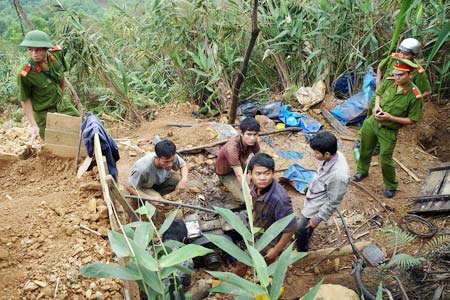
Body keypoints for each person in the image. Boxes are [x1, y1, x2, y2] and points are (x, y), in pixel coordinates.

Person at [353, 58, 424, 198]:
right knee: (365, 148)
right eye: (396, 74)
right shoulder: (390, 81)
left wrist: (390, 118)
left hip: (389, 130)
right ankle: (362, 171)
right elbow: (378, 94)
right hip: (372, 122)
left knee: (385, 158)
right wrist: (376, 107)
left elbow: (412, 120)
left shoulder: (415, 95)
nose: (397, 77)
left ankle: (391, 185)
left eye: (401, 75)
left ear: (410, 75)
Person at [235, 153, 296, 276]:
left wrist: (276, 250)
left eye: (267, 173)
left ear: (273, 173)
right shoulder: (253, 184)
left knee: (264, 269)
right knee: (243, 260)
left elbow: (290, 228)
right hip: (258, 227)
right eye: (258, 174)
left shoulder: (280, 199)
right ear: (250, 174)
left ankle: (263, 286)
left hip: (271, 237)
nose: (262, 178)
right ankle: (236, 284)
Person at [17, 30, 79, 139]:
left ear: (46, 48)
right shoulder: (25, 73)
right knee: (57, 145)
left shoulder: (57, 54)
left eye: (37, 50)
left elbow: (61, 76)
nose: (34, 54)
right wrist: (33, 125)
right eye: (30, 50)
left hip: (62, 105)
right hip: (44, 114)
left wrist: (61, 95)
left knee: (81, 129)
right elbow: (25, 99)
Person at [295, 132, 350, 252]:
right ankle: (305, 237)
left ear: (327, 154)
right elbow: (321, 173)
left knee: (301, 228)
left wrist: (317, 218)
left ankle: (302, 250)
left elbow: (333, 201)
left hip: (319, 202)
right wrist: (312, 184)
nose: (314, 154)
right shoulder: (332, 156)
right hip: (316, 193)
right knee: (305, 227)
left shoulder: (339, 176)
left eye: (316, 152)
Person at [126, 139, 188, 206]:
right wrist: (149, 198)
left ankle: (155, 195)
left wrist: (184, 180)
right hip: (144, 187)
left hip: (156, 183)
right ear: (156, 158)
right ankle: (143, 200)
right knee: (158, 202)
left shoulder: (171, 156)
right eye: (166, 162)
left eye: (172, 160)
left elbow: (183, 165)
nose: (170, 164)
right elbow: (129, 187)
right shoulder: (142, 168)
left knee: (178, 179)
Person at [215, 117, 260, 204]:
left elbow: (259, 159)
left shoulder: (253, 142)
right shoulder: (232, 148)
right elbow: (239, 175)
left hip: (240, 164)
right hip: (226, 172)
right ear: (241, 133)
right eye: (249, 134)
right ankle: (222, 181)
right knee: (245, 200)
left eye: (255, 134)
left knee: (259, 181)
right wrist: (249, 195)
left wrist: (250, 175)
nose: (252, 138)